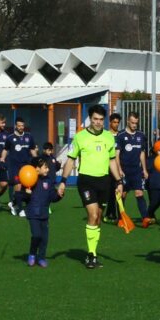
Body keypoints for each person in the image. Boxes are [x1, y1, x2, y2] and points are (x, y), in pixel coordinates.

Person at [58, 105, 123, 269]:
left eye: (101, 120)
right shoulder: (80, 137)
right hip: (86, 181)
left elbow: (112, 160)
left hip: (104, 182)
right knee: (93, 215)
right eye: (95, 119)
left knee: (98, 218)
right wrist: (63, 181)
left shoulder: (109, 137)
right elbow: (71, 160)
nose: (98, 122)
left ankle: (92, 251)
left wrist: (119, 181)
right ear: (90, 119)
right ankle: (91, 255)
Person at [24, 157, 63, 268]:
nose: (47, 170)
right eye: (45, 167)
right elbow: (20, 197)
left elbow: (52, 197)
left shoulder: (48, 181)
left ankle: (41, 257)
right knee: (36, 235)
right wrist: (27, 194)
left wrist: (59, 195)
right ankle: (32, 254)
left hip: (44, 214)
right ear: (37, 169)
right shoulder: (29, 180)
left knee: (44, 238)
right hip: (33, 214)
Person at [115, 112, 150, 227]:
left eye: (136, 123)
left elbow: (142, 153)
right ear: (128, 121)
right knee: (123, 194)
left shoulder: (141, 135)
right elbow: (117, 155)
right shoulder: (120, 135)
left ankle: (145, 218)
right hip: (124, 171)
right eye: (133, 122)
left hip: (136, 171)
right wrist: (119, 169)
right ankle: (120, 218)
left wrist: (144, 169)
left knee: (139, 193)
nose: (135, 125)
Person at [1, 117, 38, 217]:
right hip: (14, 166)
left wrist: (38, 161)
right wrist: (2, 159)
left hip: (26, 166)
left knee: (26, 188)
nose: (21, 127)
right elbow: (5, 149)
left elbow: (32, 150)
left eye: (22, 125)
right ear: (15, 126)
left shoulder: (29, 137)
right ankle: (21, 210)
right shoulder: (10, 138)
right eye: (19, 126)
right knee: (18, 185)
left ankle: (13, 203)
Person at [104, 113, 122, 222]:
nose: (116, 124)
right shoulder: (106, 135)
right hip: (108, 167)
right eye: (114, 122)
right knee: (110, 191)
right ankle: (109, 213)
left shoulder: (120, 135)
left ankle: (117, 214)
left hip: (119, 166)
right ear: (110, 122)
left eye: (117, 122)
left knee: (118, 191)